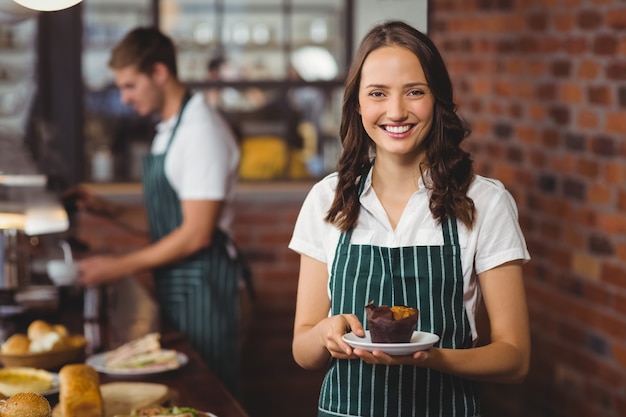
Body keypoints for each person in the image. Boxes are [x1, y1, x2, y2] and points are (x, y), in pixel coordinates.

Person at [289, 20, 530, 417]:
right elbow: (303, 351)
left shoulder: (484, 201)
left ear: (437, 99)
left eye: (415, 92)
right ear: (358, 104)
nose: (396, 111)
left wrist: (429, 357)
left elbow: (515, 359)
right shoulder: (327, 200)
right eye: (378, 94)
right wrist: (323, 335)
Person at [69, 27, 246, 397]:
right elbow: (168, 222)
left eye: (130, 86)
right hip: (182, 284)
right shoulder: (169, 129)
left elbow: (196, 233)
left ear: (160, 73)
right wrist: (106, 209)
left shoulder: (200, 131)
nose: (124, 98)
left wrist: (115, 266)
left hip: (207, 288)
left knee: (209, 392)